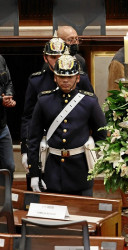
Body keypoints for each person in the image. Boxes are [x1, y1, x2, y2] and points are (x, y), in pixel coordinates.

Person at [27, 52, 106, 195]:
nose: (65, 80)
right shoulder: (44, 100)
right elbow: (33, 139)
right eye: (62, 76)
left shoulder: (89, 102)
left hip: (81, 172)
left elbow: (101, 135)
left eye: (69, 77)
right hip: (52, 171)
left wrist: (101, 163)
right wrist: (34, 174)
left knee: (83, 214)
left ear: (77, 78)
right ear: (55, 78)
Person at [20, 35, 94, 185]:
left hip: (74, 145)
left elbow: (91, 109)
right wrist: (25, 149)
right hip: (43, 144)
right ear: (45, 58)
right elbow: (28, 117)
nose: (58, 60)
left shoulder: (81, 78)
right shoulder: (36, 81)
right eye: (53, 57)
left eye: (60, 55)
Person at [0, 55, 16, 180]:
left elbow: (8, 82)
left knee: (9, 166)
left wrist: (9, 97)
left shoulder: (0, 59)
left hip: (2, 125)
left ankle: (6, 198)